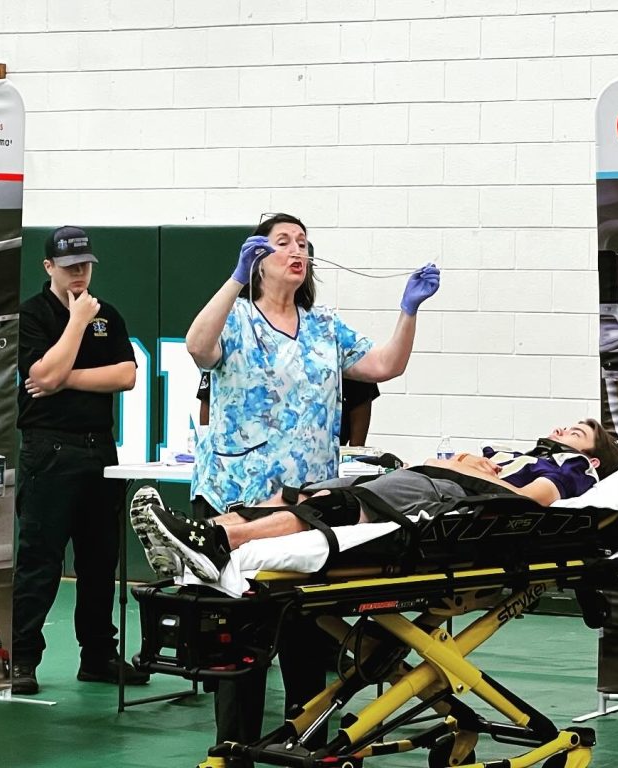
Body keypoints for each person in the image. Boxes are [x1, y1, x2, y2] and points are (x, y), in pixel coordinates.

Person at [183, 212, 437, 744]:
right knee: (243, 642)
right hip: (238, 499)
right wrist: (233, 281)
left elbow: (385, 366)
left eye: (303, 243)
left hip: (305, 507)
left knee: (308, 634)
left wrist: (408, 312)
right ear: (257, 259)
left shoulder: (325, 328)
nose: (296, 250)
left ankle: (308, 744)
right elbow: (198, 348)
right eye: (282, 243)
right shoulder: (237, 317)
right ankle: (236, 748)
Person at [131, 420, 618, 582]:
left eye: (582, 430)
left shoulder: (569, 469)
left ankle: (217, 539)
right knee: (303, 495)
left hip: (446, 492)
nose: (568, 428)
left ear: (594, 452)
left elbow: (526, 506)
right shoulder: (516, 453)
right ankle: (187, 538)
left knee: (335, 509)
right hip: (434, 477)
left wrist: (467, 471)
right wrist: (469, 458)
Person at [11, 226, 149, 695]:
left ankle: (98, 655)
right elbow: (39, 373)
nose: (79, 275)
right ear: (48, 267)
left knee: (99, 559)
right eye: (70, 268)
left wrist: (62, 379)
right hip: (48, 448)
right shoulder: (31, 316)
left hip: (98, 448)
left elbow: (126, 375)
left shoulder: (106, 314)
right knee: (40, 558)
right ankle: (21, 657)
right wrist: (75, 323)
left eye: (85, 266)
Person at [196, 371, 379, 446]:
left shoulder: (325, 341)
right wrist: (206, 446)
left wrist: (355, 453)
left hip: (315, 464)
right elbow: (207, 399)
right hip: (242, 455)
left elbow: (364, 390)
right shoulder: (234, 338)